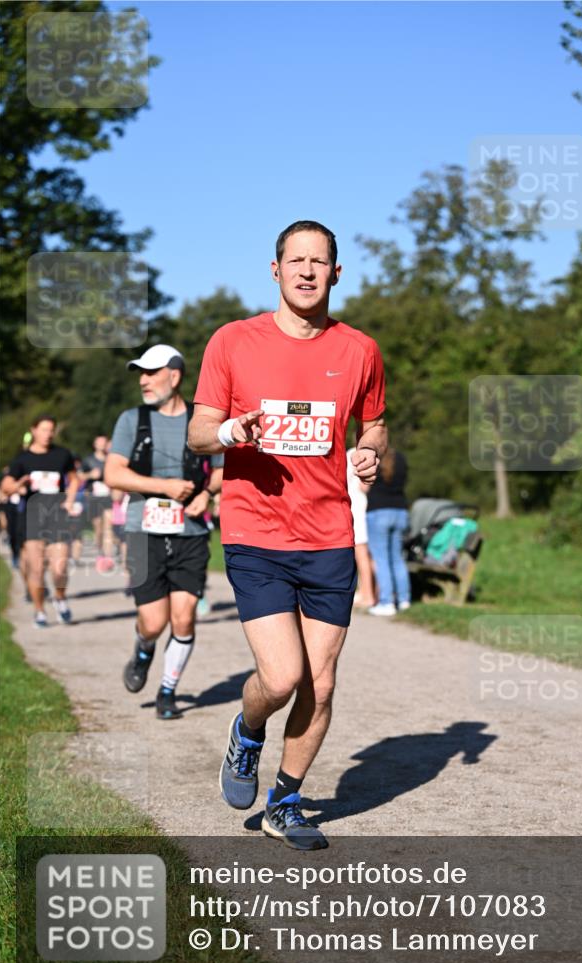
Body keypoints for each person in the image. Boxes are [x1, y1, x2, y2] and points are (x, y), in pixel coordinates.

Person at [189, 220, 387, 851]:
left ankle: (286, 802)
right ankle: (247, 734)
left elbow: (375, 424)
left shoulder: (360, 350)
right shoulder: (232, 341)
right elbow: (197, 432)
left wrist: (369, 453)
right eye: (295, 260)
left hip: (329, 533)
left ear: (336, 273)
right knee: (280, 679)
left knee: (321, 683)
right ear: (274, 270)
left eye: (318, 261)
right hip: (256, 530)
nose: (307, 271)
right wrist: (229, 435)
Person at [104, 345, 223, 721]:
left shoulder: (201, 420)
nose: (143, 380)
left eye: (151, 372)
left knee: (184, 617)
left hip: (190, 533)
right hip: (143, 531)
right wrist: (164, 486)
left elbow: (221, 468)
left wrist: (207, 493)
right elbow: (113, 474)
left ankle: (167, 692)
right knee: (154, 622)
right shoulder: (131, 420)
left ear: (174, 376)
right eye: (140, 373)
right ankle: (143, 648)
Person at [0, 416, 79, 627]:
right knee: (36, 570)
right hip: (32, 519)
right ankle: (39, 611)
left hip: (57, 517)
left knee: (60, 568)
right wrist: (19, 485)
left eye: (51, 430)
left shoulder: (62, 454)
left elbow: (74, 479)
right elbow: (6, 486)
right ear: (34, 430)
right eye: (44, 430)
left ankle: (60, 598)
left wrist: (70, 499)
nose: (48, 434)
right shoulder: (22, 459)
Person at [366, 446, 411, 616]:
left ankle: (386, 602)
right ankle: (404, 599)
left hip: (378, 511)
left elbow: (363, 487)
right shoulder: (401, 458)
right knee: (397, 558)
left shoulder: (372, 459)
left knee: (381, 559)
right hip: (400, 511)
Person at [346, 447, 376, 608]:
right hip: (364, 505)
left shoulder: (353, 454)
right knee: (368, 555)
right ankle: (372, 592)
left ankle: (368, 595)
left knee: (361, 553)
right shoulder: (373, 453)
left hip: (356, 506)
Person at [81, 435, 113, 570]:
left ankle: (108, 556)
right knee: (98, 528)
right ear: (94, 444)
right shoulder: (88, 460)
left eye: (104, 442)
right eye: (99, 442)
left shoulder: (111, 459)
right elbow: (79, 476)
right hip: (94, 497)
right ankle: (100, 552)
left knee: (109, 527)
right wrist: (90, 475)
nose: (101, 444)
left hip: (108, 496)